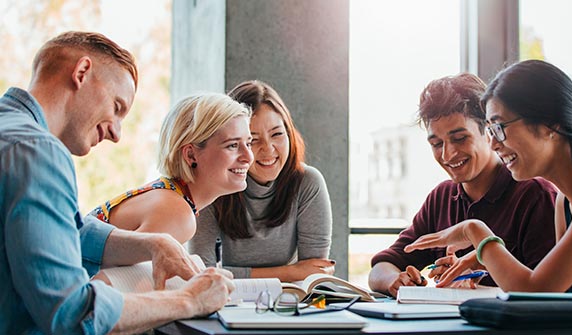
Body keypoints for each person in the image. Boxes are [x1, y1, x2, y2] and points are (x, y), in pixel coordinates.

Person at [0, 31, 235, 334]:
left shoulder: (12, 135)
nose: (116, 133)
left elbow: (65, 231)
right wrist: (189, 299)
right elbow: (74, 315)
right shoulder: (37, 152)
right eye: (117, 107)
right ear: (82, 73)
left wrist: (154, 243)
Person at [405, 60, 572, 297]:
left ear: (549, 123)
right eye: (490, 130)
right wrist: (486, 262)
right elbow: (559, 299)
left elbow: (537, 291)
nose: (494, 143)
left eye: (499, 127)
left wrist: (476, 233)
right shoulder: (564, 200)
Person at [368, 73, 557, 297]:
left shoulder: (535, 195)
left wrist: (476, 285)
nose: (448, 154)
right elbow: (381, 267)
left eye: (459, 139)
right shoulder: (442, 197)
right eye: (437, 144)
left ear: (489, 131)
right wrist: (395, 280)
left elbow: (545, 293)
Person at [190, 80, 334, 282]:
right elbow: (202, 272)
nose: (268, 149)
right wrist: (290, 272)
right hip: (227, 302)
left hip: (289, 302)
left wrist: (297, 274)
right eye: (253, 140)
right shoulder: (213, 184)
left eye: (277, 134)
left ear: (289, 133)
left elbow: (314, 273)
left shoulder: (307, 182)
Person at [87, 93, 253, 244]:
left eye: (248, 143)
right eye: (232, 145)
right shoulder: (177, 214)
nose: (248, 157)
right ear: (191, 155)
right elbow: (112, 277)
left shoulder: (170, 196)